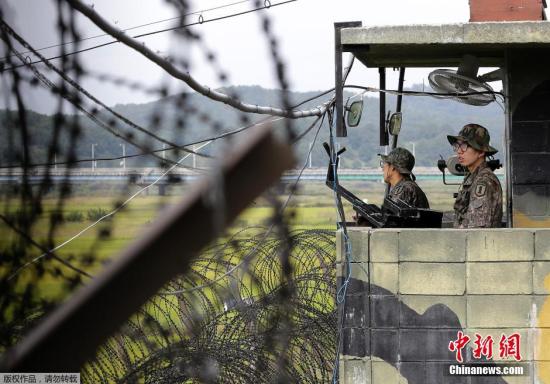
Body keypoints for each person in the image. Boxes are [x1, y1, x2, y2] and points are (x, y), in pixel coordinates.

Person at [447, 123, 503, 228]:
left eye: (464, 146)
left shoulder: (484, 181)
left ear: (481, 152)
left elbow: (476, 228)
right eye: (457, 146)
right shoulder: (472, 177)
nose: (459, 151)